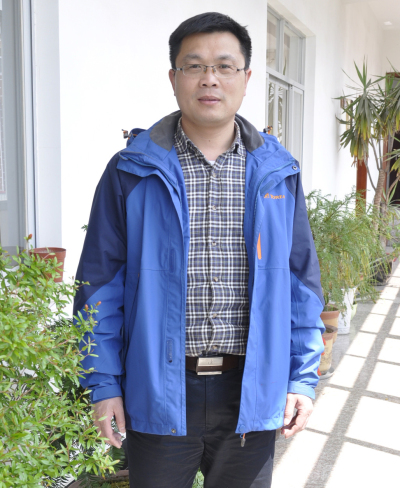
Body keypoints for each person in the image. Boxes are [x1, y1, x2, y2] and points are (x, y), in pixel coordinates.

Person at [74, 11, 325, 488]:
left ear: (246, 79)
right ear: (174, 78)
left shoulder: (278, 172)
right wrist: (104, 384)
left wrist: (301, 379)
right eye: (194, 66)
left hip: (251, 389)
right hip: (157, 390)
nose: (210, 78)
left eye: (225, 66)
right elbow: (99, 287)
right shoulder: (131, 171)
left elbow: (301, 283)